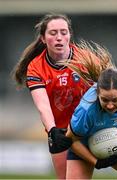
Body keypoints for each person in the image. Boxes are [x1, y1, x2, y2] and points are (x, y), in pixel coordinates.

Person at [12, 13, 98, 179]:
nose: (59, 37)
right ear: (43, 39)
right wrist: (52, 131)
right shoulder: (36, 67)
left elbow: (109, 86)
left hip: (90, 127)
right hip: (61, 132)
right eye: (53, 33)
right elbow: (43, 106)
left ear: (69, 36)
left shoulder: (87, 59)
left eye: (63, 32)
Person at [63, 42, 117, 179]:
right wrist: (96, 162)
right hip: (83, 141)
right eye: (105, 100)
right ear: (97, 93)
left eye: (115, 100)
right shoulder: (86, 109)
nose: (110, 105)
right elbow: (71, 140)